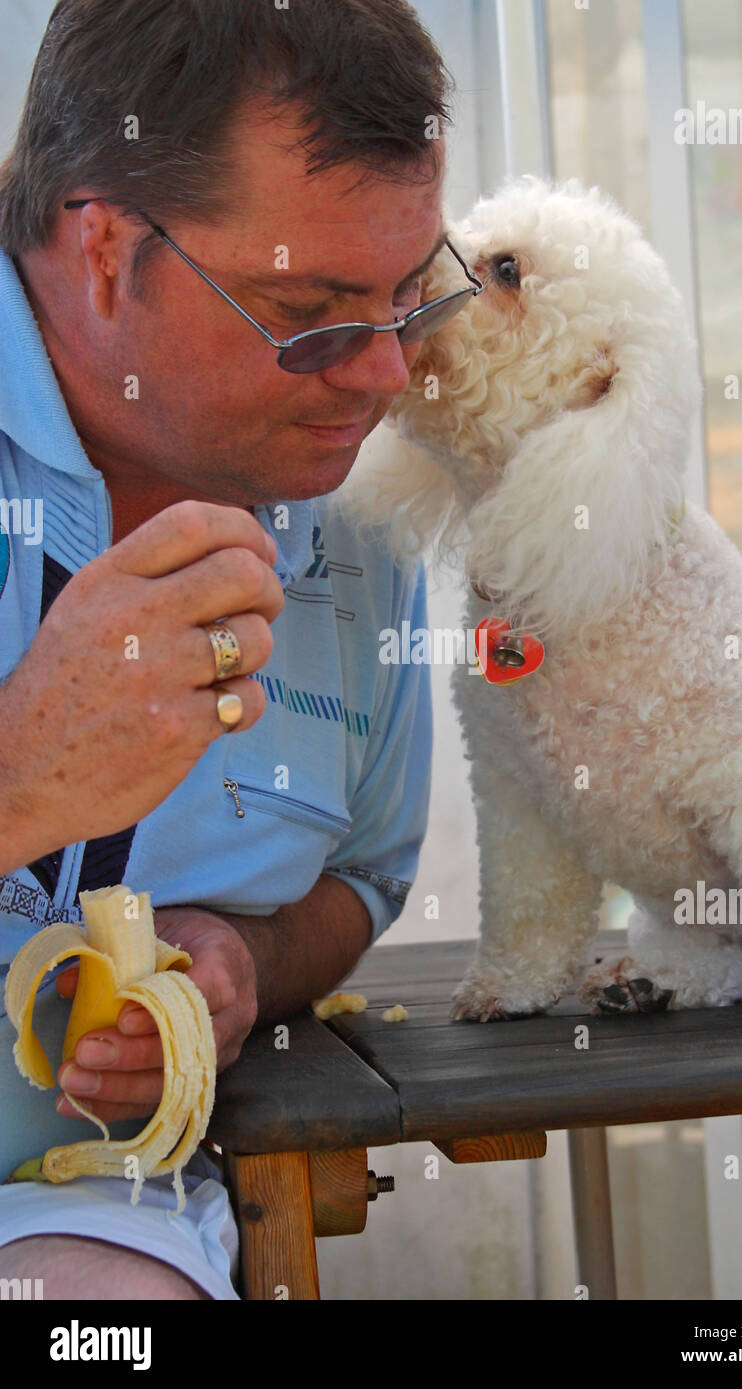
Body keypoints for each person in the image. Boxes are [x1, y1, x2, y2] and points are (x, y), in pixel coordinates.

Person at [0, 0, 459, 1300]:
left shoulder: (361, 520)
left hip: (84, 1223)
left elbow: (361, 877)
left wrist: (246, 962)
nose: (382, 374)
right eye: (309, 311)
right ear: (101, 251)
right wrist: (21, 773)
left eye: (410, 294)